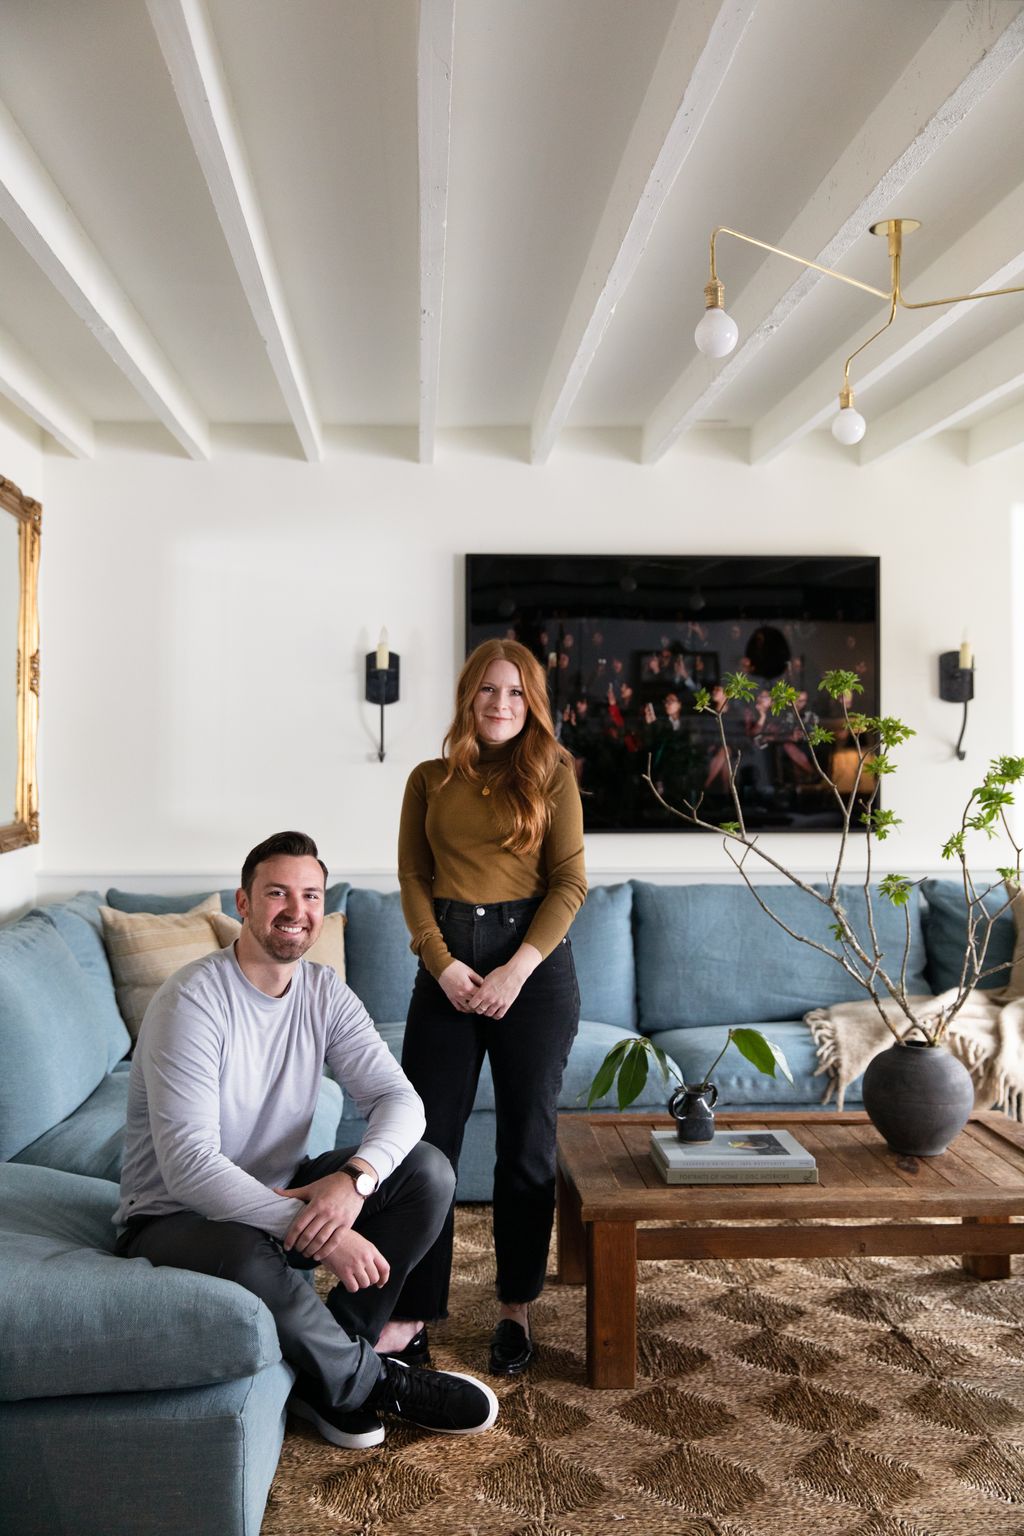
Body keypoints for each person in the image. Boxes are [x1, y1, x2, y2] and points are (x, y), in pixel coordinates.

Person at [114, 830, 499, 1451]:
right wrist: (328, 1231)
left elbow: (401, 1101)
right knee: (245, 1255)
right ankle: (370, 1384)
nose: (297, 911)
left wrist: (355, 1181)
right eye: (277, 893)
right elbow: (188, 1168)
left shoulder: (323, 991)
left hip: (289, 1199)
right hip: (175, 1217)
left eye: (312, 895)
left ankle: (330, 1370)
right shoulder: (191, 1000)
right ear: (242, 902)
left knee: (427, 1173)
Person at [394, 639, 587, 1377]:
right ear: (467, 698)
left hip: (531, 969)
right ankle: (413, 1314)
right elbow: (413, 877)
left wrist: (514, 971)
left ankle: (515, 1310)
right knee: (423, 1145)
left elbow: (568, 884)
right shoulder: (428, 779)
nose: (500, 704)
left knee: (527, 1144)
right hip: (447, 967)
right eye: (487, 692)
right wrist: (441, 964)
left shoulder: (553, 778)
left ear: (531, 701)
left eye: (514, 693)